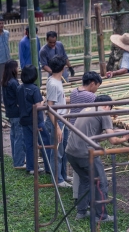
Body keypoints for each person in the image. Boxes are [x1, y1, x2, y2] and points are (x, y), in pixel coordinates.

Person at [66, 95, 129, 222]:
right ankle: (101, 216)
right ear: (107, 106)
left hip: (71, 152)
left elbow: (95, 136)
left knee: (86, 180)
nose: (111, 113)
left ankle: (81, 211)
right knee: (101, 182)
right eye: (110, 109)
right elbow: (113, 140)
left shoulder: (87, 109)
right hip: (86, 154)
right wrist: (123, 138)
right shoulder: (103, 112)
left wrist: (114, 131)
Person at [69, 71, 102, 201]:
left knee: (77, 166)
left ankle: (76, 192)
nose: (96, 89)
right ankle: (85, 196)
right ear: (92, 83)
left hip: (72, 129)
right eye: (97, 86)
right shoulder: (90, 97)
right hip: (84, 133)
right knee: (85, 166)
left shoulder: (73, 91)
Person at [17, 64, 51, 175]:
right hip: (36, 120)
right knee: (45, 143)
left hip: (24, 120)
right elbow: (38, 106)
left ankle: (31, 167)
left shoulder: (19, 88)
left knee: (29, 144)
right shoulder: (34, 89)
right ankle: (48, 167)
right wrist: (44, 100)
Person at [45, 55, 71, 188]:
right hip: (57, 121)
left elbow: (58, 101)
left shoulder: (56, 80)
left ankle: (63, 175)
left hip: (62, 119)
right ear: (63, 67)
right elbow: (50, 107)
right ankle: (58, 179)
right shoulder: (54, 84)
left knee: (63, 149)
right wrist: (57, 127)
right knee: (57, 151)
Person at [2, 59, 25, 169]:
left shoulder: (5, 82)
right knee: (19, 137)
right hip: (16, 112)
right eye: (17, 67)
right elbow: (19, 97)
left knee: (13, 135)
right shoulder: (14, 83)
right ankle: (19, 162)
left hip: (10, 112)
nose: (18, 69)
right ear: (13, 69)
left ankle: (16, 159)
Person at [0, 17, 11, 84]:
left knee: (8, 78)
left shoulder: (7, 33)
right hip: (0, 61)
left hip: (7, 60)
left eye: (2, 23)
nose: (1, 25)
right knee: (1, 79)